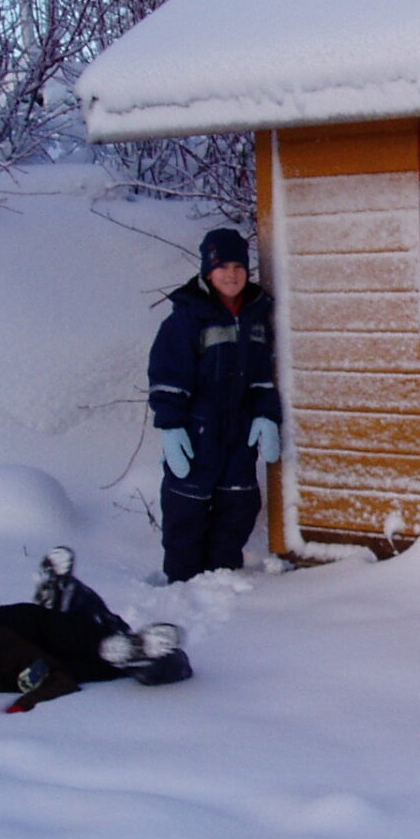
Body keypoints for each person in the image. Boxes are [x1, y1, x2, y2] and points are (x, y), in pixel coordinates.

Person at [0, 547, 191, 713]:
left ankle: (147, 657)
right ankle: (59, 595)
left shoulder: (3, 652)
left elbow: (57, 679)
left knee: (102, 656)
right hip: (32, 624)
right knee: (75, 625)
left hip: (53, 637)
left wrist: (23, 705)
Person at [148, 226, 283, 581]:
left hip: (239, 431)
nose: (231, 275)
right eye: (223, 267)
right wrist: (171, 426)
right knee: (186, 506)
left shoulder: (255, 316)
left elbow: (262, 377)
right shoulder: (187, 318)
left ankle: (221, 575)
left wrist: (266, 415)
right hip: (197, 431)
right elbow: (168, 376)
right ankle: (182, 580)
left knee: (238, 503)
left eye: (239, 267)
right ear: (207, 271)